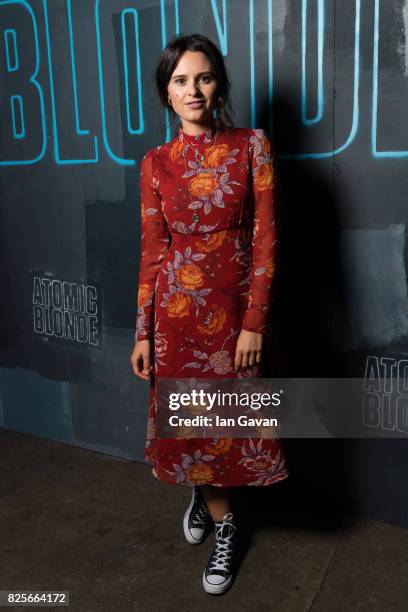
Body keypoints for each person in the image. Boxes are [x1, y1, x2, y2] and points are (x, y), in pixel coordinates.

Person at [130, 33, 290, 595]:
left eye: (202, 77)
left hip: (233, 312)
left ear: (217, 82)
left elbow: (267, 240)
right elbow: (153, 251)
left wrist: (255, 323)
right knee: (192, 425)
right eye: (180, 81)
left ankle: (213, 503)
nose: (192, 90)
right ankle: (225, 520)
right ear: (166, 94)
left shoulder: (253, 146)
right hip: (174, 314)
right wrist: (142, 333)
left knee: (227, 424)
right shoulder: (154, 164)